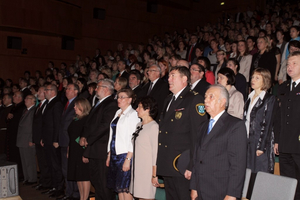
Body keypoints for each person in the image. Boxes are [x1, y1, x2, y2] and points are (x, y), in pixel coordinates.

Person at [157, 66, 207, 200]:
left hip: (181, 164)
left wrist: (192, 165)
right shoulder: (168, 99)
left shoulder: (194, 99)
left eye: (173, 76)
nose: (169, 79)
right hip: (167, 162)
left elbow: (198, 136)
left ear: (184, 79)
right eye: (169, 76)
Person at [190, 84, 247, 200]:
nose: (206, 100)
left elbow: (238, 165)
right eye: (205, 97)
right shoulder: (203, 126)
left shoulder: (235, 125)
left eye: (211, 97)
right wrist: (194, 187)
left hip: (220, 190)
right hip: (201, 189)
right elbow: (197, 158)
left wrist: (232, 194)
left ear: (223, 102)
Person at [79, 79, 118, 200]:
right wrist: (84, 136)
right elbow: (89, 123)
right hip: (94, 149)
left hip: (101, 149)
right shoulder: (99, 103)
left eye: (98, 87)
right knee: (96, 181)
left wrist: (89, 139)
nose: (96, 89)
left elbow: (104, 125)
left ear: (106, 89)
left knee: (103, 183)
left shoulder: (111, 103)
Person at [275, 51, 300, 200]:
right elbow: (279, 117)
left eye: (294, 63)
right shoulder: (283, 88)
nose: (289, 67)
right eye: (288, 64)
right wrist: (277, 140)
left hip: (298, 145)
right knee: (288, 182)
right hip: (284, 144)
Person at [106, 88, 140, 200]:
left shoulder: (133, 114)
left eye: (122, 97)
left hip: (124, 155)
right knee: (119, 188)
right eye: (118, 97)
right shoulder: (117, 112)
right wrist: (109, 154)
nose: (119, 99)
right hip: (115, 154)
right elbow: (112, 134)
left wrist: (128, 159)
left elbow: (133, 138)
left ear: (130, 100)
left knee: (125, 188)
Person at [244, 68, 276, 173]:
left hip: (260, 141)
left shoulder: (269, 99)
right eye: (253, 77)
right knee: (248, 172)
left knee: (260, 173)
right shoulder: (249, 97)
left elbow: (267, 124)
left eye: (257, 78)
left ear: (265, 80)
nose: (253, 80)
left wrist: (261, 146)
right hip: (248, 140)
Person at [130, 96, 159, 200]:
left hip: (147, 170)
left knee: (146, 196)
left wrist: (154, 175)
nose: (137, 109)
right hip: (137, 168)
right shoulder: (138, 125)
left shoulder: (153, 126)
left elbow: (155, 152)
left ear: (148, 109)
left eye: (140, 107)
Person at [41, 84, 64, 198]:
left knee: (56, 165)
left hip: (53, 140)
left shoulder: (57, 103)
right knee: (50, 163)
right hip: (47, 139)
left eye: (47, 90)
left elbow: (57, 123)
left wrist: (56, 139)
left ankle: (59, 188)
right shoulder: (48, 103)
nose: (44, 91)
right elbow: (45, 124)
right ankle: (53, 186)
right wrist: (43, 138)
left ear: (53, 92)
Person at [57, 83, 79, 200]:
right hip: (63, 141)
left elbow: (76, 124)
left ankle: (75, 193)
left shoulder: (77, 104)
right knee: (65, 169)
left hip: (71, 141)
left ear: (76, 91)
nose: (66, 90)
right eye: (66, 89)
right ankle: (69, 193)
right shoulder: (66, 104)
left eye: (69, 89)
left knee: (72, 169)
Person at [67, 97, 91, 200]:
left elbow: (87, 137)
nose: (74, 107)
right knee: (78, 176)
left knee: (84, 176)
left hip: (82, 150)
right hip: (74, 149)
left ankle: (85, 198)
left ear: (83, 106)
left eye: (77, 106)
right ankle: (82, 197)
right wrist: (69, 149)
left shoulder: (87, 119)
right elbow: (72, 135)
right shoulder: (75, 119)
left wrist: (86, 153)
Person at [16, 95, 37, 185]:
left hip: (28, 139)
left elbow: (33, 127)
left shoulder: (33, 111)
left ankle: (32, 178)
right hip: (22, 139)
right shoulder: (25, 110)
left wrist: (31, 139)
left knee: (30, 161)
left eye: (27, 98)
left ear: (33, 101)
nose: (25, 100)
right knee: (24, 161)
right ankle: (27, 177)